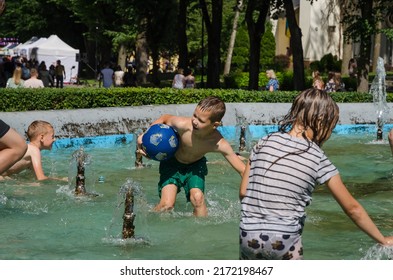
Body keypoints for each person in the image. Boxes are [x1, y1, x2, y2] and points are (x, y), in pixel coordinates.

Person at [239, 88, 393, 260]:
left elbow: (244, 192)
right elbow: (352, 209)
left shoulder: (264, 142)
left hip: (248, 234)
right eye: (331, 127)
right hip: (284, 239)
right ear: (320, 121)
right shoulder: (318, 157)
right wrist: (382, 239)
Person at [137, 96, 245, 217]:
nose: (194, 121)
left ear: (214, 125)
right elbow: (165, 118)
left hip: (195, 167)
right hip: (172, 164)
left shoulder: (218, 143)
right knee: (166, 205)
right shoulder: (183, 125)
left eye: (201, 121)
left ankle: (200, 232)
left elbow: (243, 170)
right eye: (194, 115)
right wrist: (145, 136)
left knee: (198, 199)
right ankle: (147, 215)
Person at [1, 120, 65, 181]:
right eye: (52, 136)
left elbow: (35, 177)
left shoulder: (30, 150)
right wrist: (62, 180)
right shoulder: (34, 151)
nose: (54, 139)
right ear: (42, 138)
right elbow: (41, 178)